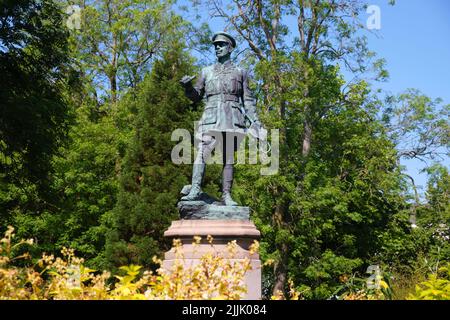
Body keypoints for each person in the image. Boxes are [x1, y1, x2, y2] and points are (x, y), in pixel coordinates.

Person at [180, 31, 262, 206]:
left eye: (221, 45)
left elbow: (248, 100)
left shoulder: (241, 73)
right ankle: (195, 189)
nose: (217, 48)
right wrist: (188, 88)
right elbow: (196, 96)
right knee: (202, 153)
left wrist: (255, 121)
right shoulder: (206, 71)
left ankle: (226, 195)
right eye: (215, 45)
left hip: (233, 118)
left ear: (230, 48)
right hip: (211, 118)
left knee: (228, 158)